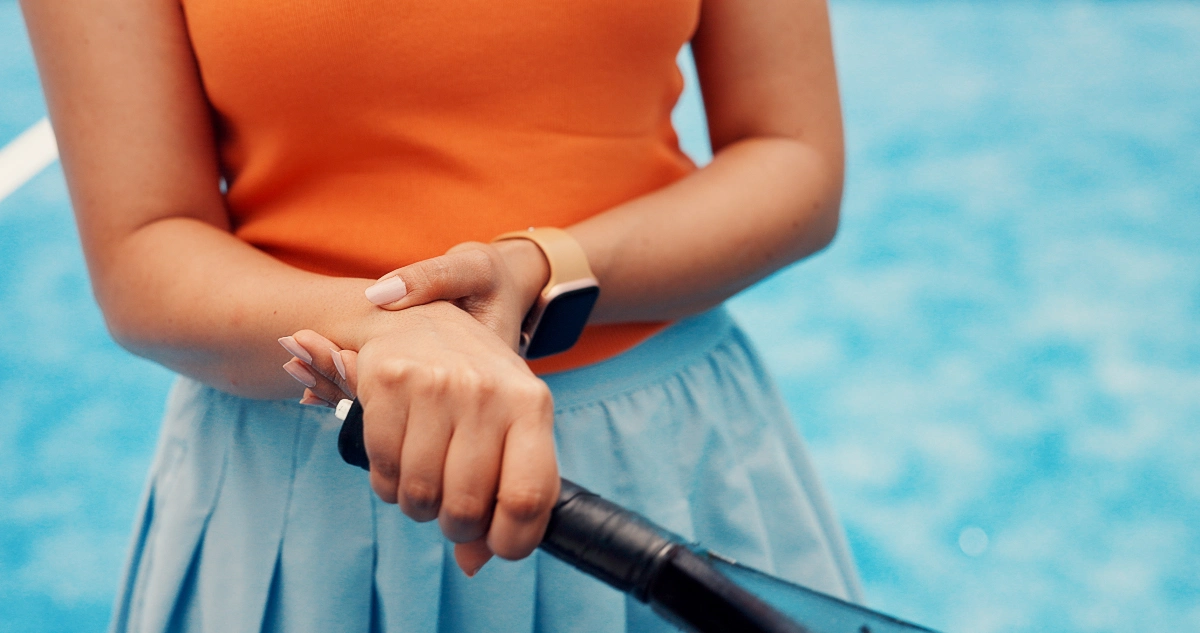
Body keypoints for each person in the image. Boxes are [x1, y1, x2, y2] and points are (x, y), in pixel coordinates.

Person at [22, 0, 862, 630]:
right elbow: (142, 246)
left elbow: (794, 158)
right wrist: (380, 326)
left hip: (665, 465)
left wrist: (535, 273)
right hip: (308, 492)